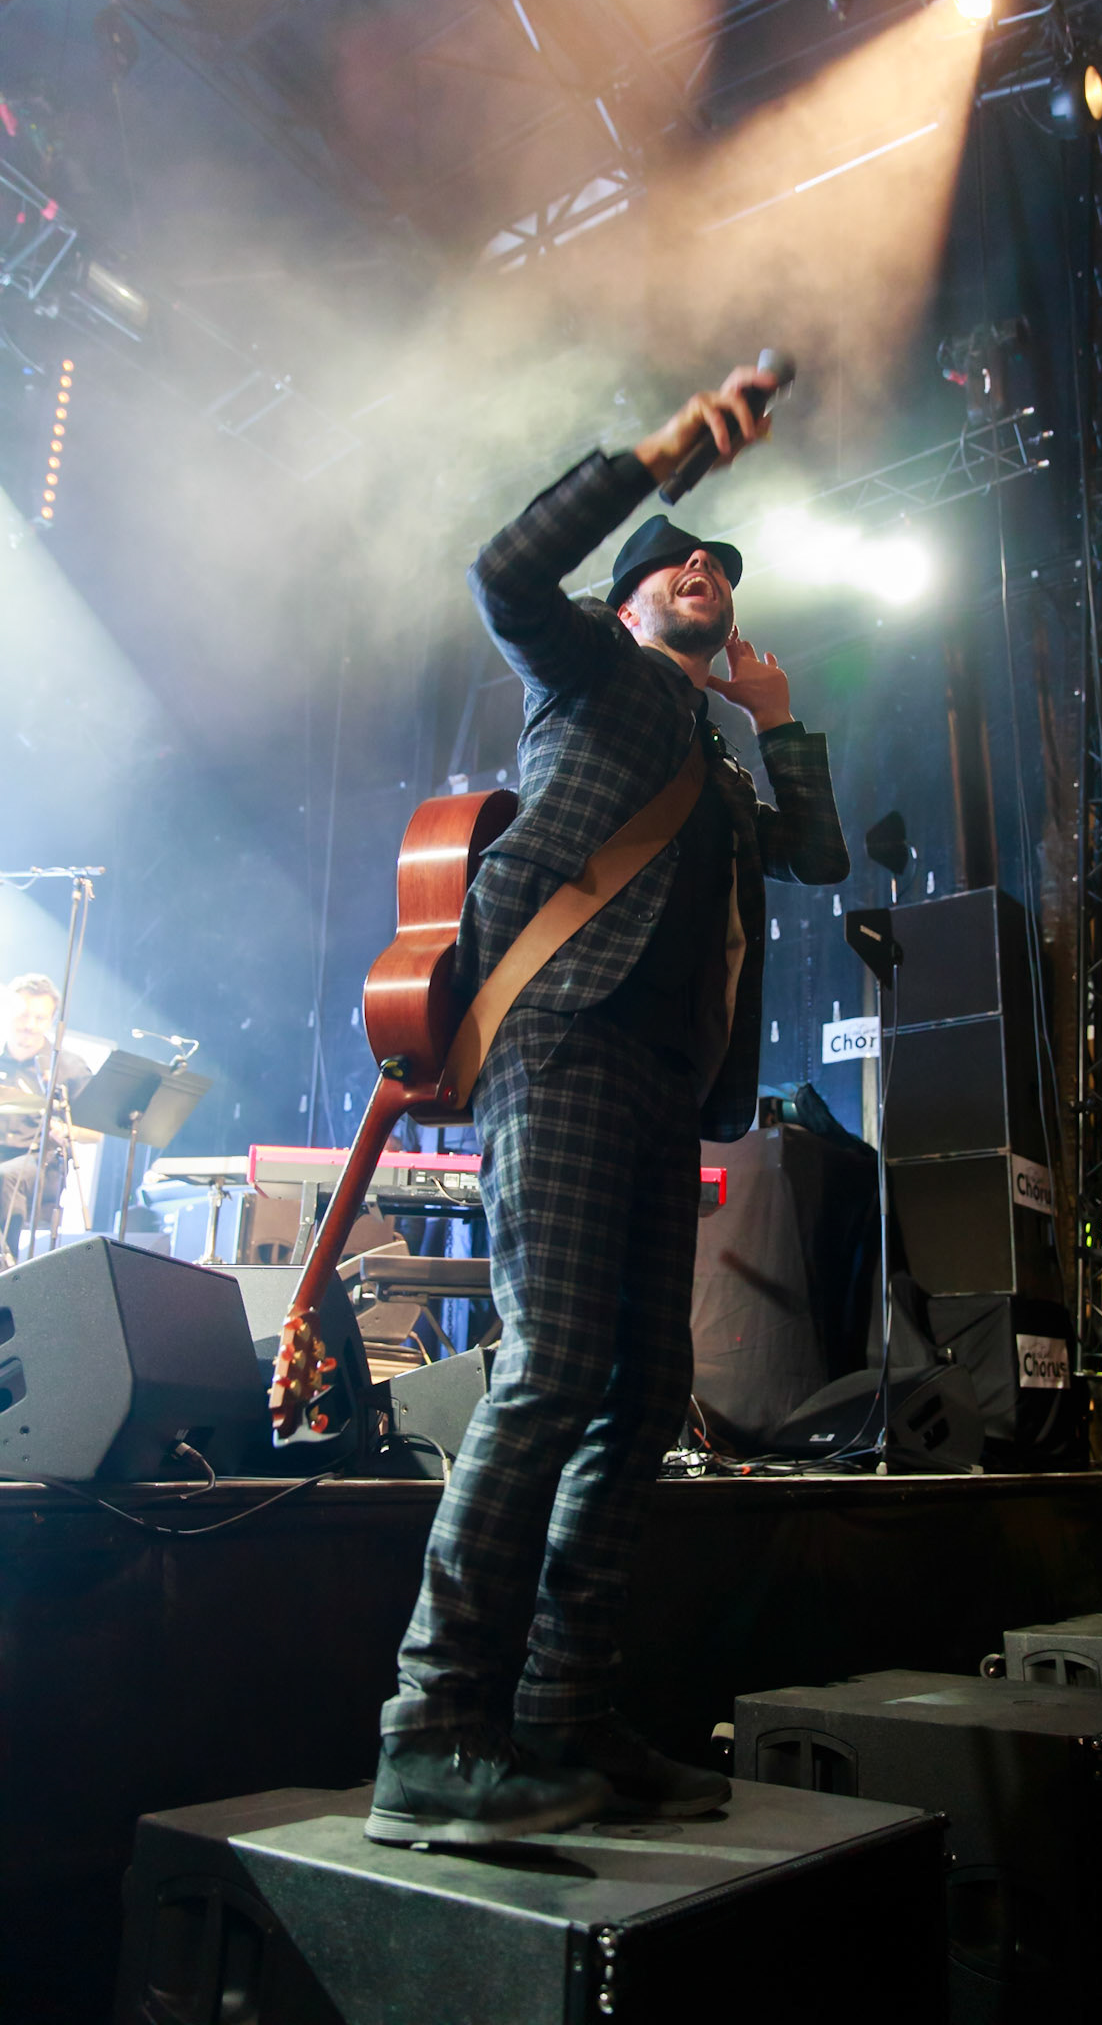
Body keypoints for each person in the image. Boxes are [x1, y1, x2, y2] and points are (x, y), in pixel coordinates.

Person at [367, 364, 849, 1847]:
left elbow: (817, 861)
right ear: (636, 603)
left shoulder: (717, 750)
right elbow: (502, 566)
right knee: (559, 1364)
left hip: (662, 1076)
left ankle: (566, 1716)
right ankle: (433, 1729)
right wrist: (670, 455)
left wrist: (775, 726)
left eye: (721, 570)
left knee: (640, 1396)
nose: (707, 573)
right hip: (562, 1035)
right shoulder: (592, 674)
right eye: (683, 566)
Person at [0, 973, 93, 1262]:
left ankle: (7, 1266)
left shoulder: (69, 1066)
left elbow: (96, 1130)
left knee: (5, 1177)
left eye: (39, 1018)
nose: (29, 1025)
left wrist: (65, 1129)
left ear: (51, 1021)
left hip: (40, 1161)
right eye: (23, 1015)